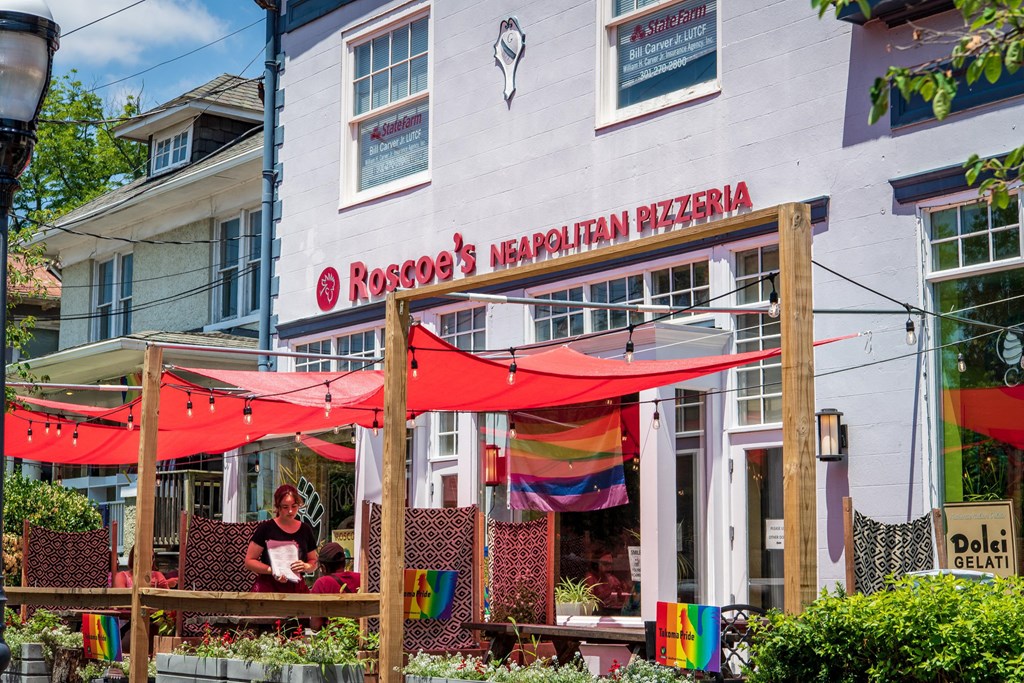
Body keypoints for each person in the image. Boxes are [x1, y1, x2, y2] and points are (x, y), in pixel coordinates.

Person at [245, 483, 318, 593]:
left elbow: (314, 561)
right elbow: (249, 561)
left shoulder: (305, 529)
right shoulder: (266, 528)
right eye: (285, 507)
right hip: (268, 589)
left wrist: (306, 566)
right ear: (278, 507)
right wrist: (273, 570)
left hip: (296, 589)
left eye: (294, 506)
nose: (290, 511)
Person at [309, 542, 361, 630]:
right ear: (344, 562)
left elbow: (316, 625)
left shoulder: (322, 583)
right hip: (361, 637)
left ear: (323, 567)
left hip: (334, 641)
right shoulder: (361, 578)